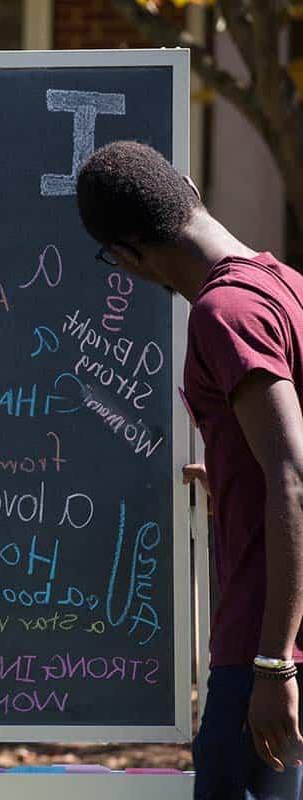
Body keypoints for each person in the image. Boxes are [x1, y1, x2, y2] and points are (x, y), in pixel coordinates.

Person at [77, 140, 303, 799]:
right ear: (189, 188)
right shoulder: (285, 286)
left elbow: (290, 472)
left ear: (129, 253)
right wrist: (234, 475)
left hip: (263, 649)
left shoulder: (222, 314)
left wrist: (273, 666)